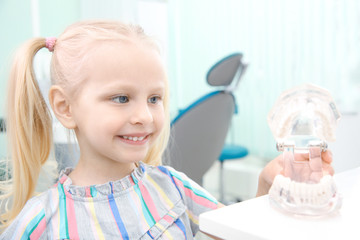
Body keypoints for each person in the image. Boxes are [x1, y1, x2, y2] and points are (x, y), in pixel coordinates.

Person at [0, 20, 333, 239]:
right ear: (65, 107)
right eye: (121, 98)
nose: (145, 116)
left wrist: (266, 187)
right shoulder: (41, 222)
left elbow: (234, 233)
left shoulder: (173, 187)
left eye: (155, 98)